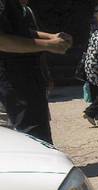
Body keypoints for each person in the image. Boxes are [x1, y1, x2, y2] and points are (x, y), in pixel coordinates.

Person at [0, 0, 72, 144]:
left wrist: (51, 37)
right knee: (32, 137)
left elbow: (23, 33)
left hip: (27, 79)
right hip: (13, 80)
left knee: (37, 132)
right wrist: (49, 45)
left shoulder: (17, 7)